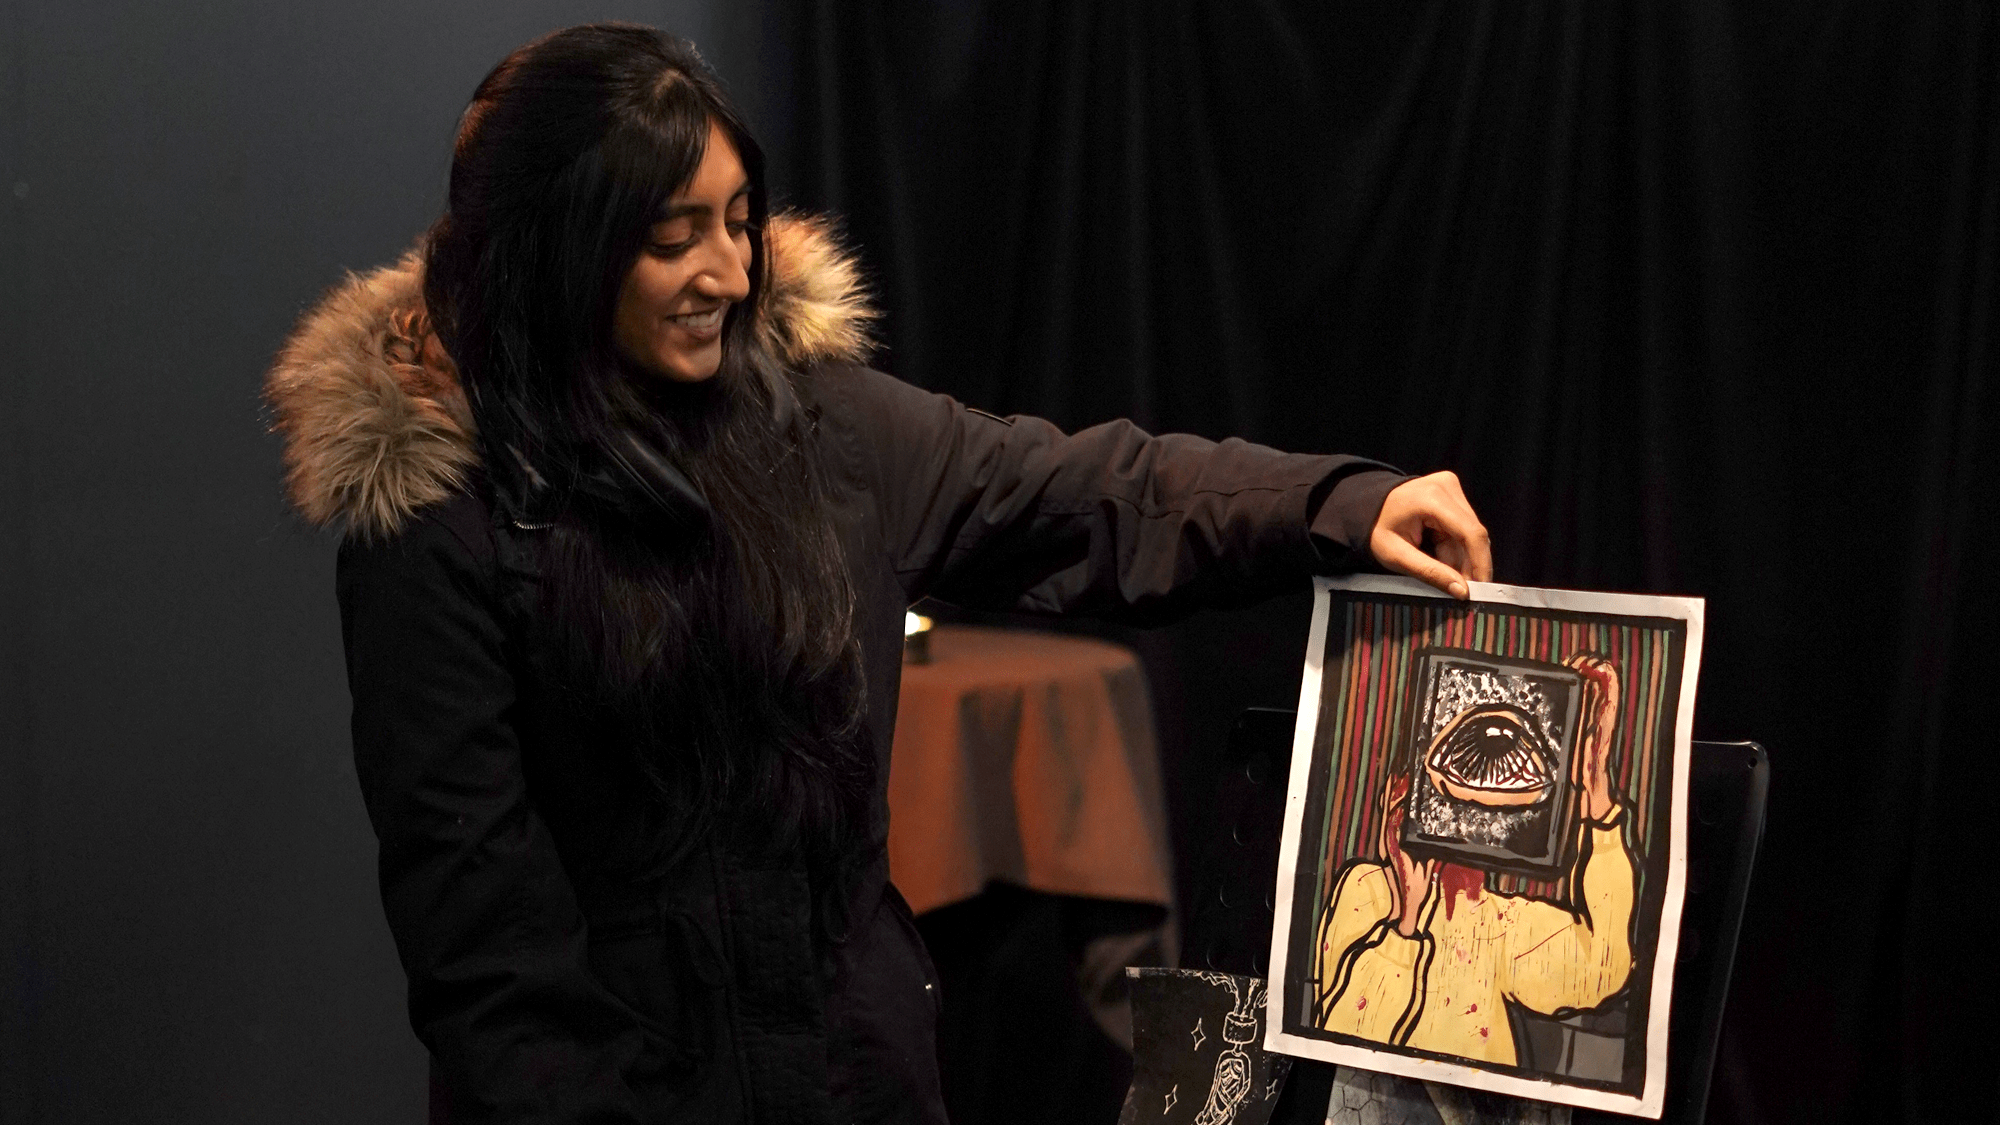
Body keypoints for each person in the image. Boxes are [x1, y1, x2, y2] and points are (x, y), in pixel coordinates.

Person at [264, 23, 1492, 1125]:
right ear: (555, 249)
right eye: (669, 237)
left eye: (739, 219)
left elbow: (1087, 493)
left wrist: (1339, 502)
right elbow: (486, 946)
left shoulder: (825, 430)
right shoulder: (439, 521)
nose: (729, 272)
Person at [1311, 656, 1637, 1067]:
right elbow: (1342, 1040)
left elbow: (1602, 968)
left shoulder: (1502, 925)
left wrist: (1598, 798)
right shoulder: (1362, 891)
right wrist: (1404, 919)